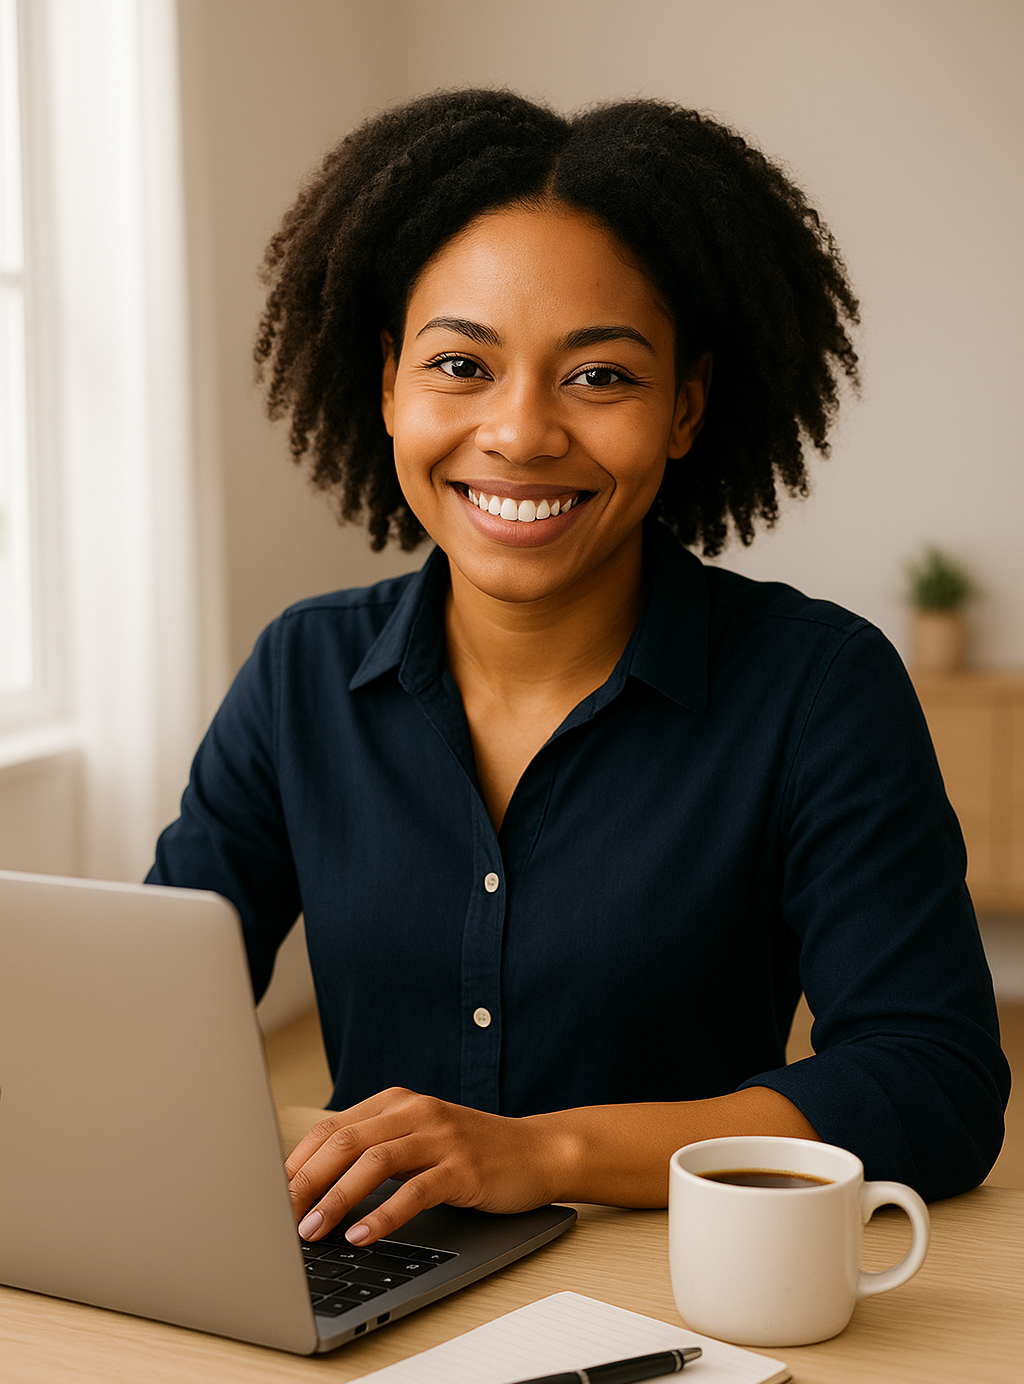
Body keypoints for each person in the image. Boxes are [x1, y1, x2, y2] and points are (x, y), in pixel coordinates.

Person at [148, 89, 1009, 1248]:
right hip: (367, 1279)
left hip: (683, 1296)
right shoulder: (302, 670)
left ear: (684, 408)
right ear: (389, 381)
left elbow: (934, 1084)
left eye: (598, 376)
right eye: (461, 364)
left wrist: (539, 1152)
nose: (520, 432)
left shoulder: (818, 690)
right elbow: (148, 1019)